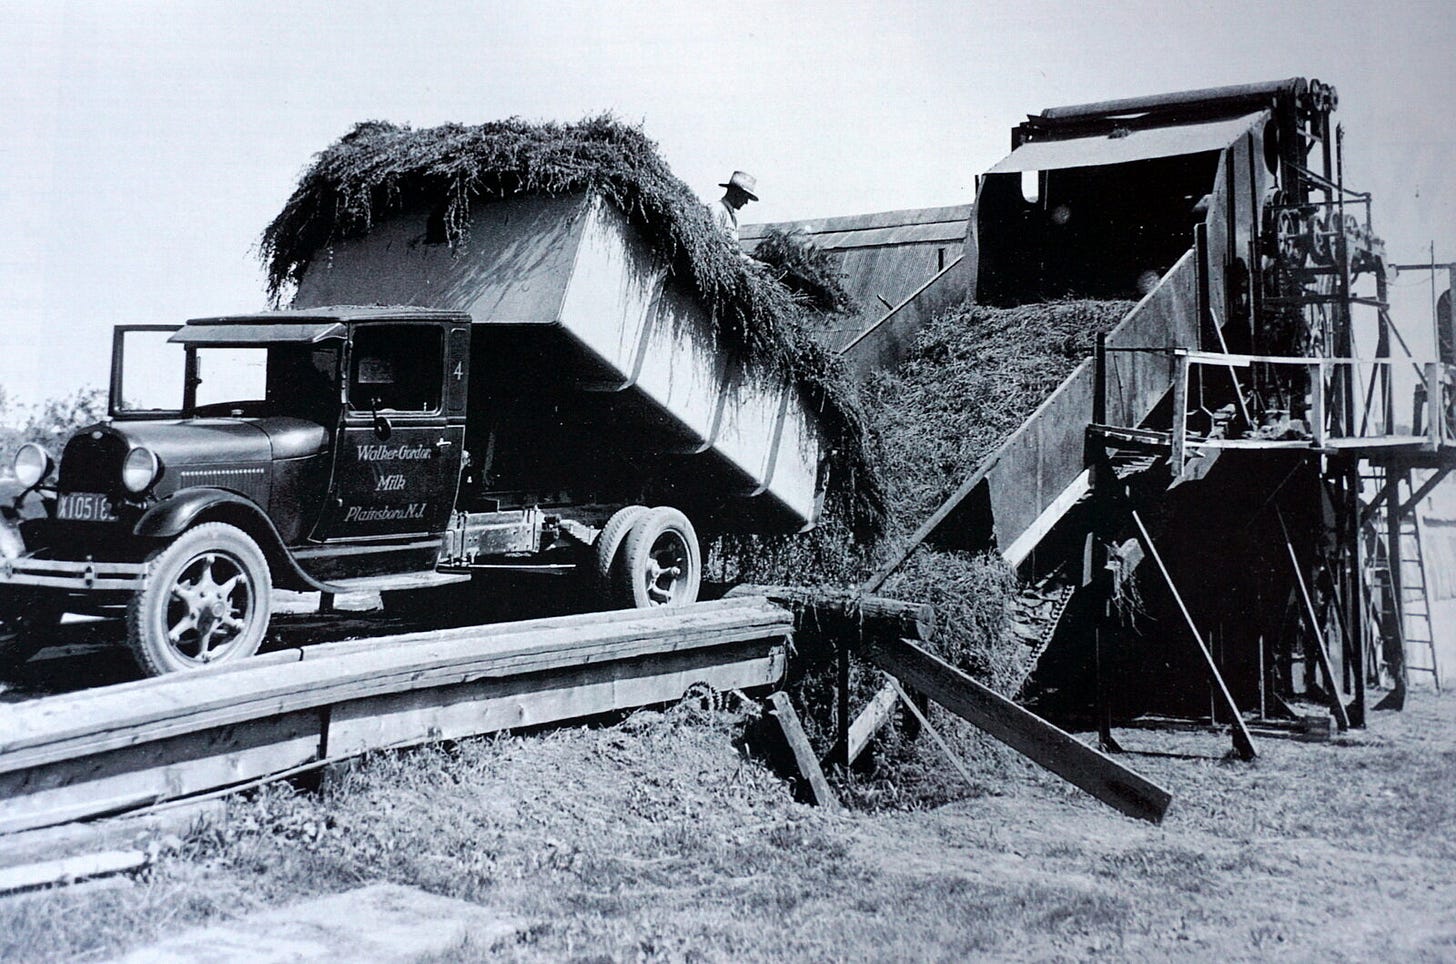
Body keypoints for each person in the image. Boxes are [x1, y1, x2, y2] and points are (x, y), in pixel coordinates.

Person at [709, 170, 758, 244]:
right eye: (745, 197)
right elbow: (711, 240)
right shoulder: (717, 210)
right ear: (736, 193)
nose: (746, 202)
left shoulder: (733, 218)